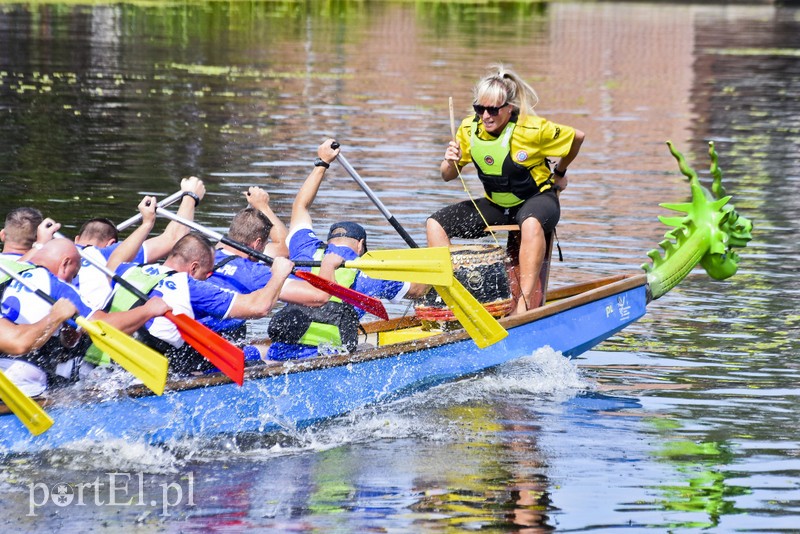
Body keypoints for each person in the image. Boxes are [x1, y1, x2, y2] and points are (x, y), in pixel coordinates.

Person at [427, 64, 585, 315]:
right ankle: (453, 300)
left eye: (493, 110)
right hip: (497, 205)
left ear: (509, 108)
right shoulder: (468, 129)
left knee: (530, 222)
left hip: (537, 199)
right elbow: (447, 175)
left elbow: (577, 137)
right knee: (435, 224)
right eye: (479, 109)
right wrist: (449, 160)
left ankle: (523, 306)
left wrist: (560, 172)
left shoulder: (531, 129)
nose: (485, 116)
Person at [265, 139, 429, 361]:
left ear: (329, 241)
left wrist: (322, 162)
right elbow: (418, 290)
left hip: (280, 351)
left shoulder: (304, 248)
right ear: (360, 245)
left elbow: (300, 206)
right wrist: (431, 270)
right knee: (366, 348)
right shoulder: (368, 272)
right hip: (328, 357)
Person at [107, 233, 294, 375]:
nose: (208, 278)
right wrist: (279, 274)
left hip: (113, 361)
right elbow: (259, 307)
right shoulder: (188, 285)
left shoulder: (126, 269)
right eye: (208, 273)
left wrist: (147, 222)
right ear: (194, 267)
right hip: (160, 368)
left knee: (254, 350)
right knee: (268, 364)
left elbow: (115, 258)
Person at [0, 239, 170, 396]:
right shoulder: (59, 286)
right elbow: (104, 326)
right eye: (74, 275)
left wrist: (65, 332)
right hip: (23, 380)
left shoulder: (6, 270)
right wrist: (148, 310)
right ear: (65, 264)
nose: (72, 281)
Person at [202, 187, 331, 342]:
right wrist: (328, 264)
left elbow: (280, 246)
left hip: (190, 334)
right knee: (267, 350)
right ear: (257, 244)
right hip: (216, 343)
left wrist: (255, 208)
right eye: (264, 244)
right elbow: (319, 297)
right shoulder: (255, 273)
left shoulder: (206, 255)